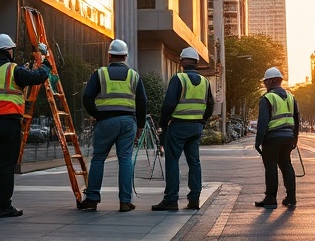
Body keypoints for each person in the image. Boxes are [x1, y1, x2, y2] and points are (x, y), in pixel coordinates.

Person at [0, 33, 50, 219]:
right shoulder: (13, 70)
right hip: (8, 123)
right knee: (6, 165)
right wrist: (45, 62)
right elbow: (37, 77)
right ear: (8, 51)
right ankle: (3, 206)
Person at [78, 39, 148, 212]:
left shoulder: (100, 73)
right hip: (127, 122)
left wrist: (97, 114)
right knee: (125, 159)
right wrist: (140, 126)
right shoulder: (134, 75)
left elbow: (87, 97)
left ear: (109, 56)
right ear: (125, 56)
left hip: (106, 121)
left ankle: (92, 198)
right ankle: (125, 201)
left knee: (99, 158)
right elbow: (142, 102)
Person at [152, 47, 214, 212]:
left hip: (178, 126)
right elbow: (210, 105)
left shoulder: (178, 78)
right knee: (194, 162)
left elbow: (169, 104)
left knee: (172, 161)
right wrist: (202, 121)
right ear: (196, 63)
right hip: (195, 127)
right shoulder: (205, 81)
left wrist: (163, 123)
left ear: (182, 62)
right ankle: (194, 199)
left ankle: (171, 200)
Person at [253, 67, 300, 209]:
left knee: (271, 166)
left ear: (272, 81)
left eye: (266, 81)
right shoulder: (291, 96)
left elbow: (263, 122)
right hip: (288, 137)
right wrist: (295, 138)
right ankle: (291, 197)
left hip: (272, 138)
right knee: (286, 164)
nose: (265, 84)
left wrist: (258, 141)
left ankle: (270, 198)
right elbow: (297, 119)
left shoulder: (267, 98)